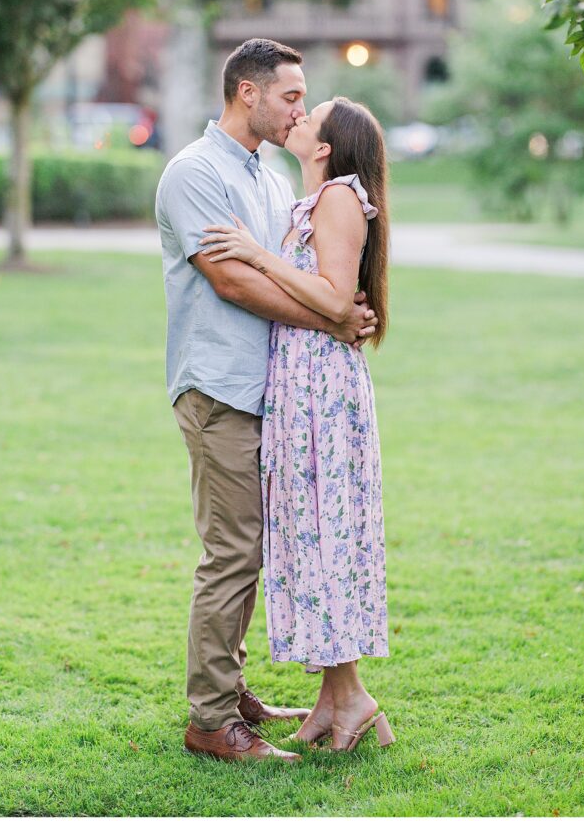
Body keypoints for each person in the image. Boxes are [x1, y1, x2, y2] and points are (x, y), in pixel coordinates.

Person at [155, 40, 379, 763]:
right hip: (219, 385)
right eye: (289, 96)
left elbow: (299, 271)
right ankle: (211, 720)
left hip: (276, 393)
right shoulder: (193, 173)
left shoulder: (273, 174)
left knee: (255, 547)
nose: (297, 110)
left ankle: (233, 690)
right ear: (246, 92)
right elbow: (235, 281)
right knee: (232, 551)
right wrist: (335, 318)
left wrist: (337, 308)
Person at [199, 96, 395, 753]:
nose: (300, 113)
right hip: (299, 385)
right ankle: (337, 701)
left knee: (326, 533)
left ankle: (352, 699)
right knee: (314, 535)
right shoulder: (311, 199)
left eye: (313, 111)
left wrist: (255, 255)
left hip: (322, 391)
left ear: (326, 145)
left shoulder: (340, 196)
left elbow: (336, 300)